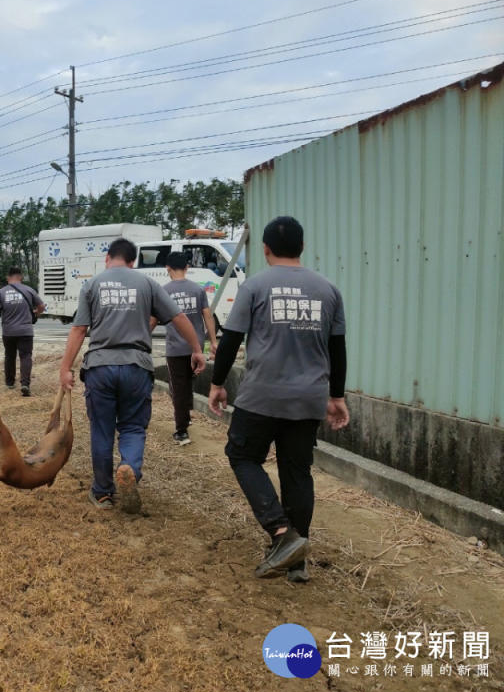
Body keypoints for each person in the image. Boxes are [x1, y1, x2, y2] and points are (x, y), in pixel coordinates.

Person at [209, 216, 349, 583]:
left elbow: (231, 339)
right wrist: (336, 396)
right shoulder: (328, 290)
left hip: (261, 397)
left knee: (241, 455)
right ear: (302, 248)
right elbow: (338, 349)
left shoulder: (255, 286)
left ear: (266, 249)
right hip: (309, 399)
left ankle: (281, 532)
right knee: (296, 472)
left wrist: (217, 383)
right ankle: (296, 564)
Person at [59, 238, 207, 514]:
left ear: (107, 258)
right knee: (133, 427)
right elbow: (178, 318)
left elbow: (79, 329)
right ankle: (129, 467)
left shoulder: (92, 284)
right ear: (133, 261)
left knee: (102, 429)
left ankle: (102, 493)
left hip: (100, 366)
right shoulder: (147, 284)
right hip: (136, 366)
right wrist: (197, 349)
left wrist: (65, 367)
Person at [150, 251, 218, 446]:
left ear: (168, 269)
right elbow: (208, 317)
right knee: (187, 385)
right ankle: (185, 418)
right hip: (196, 349)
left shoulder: (164, 291)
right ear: (187, 267)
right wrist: (213, 341)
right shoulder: (197, 290)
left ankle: (181, 431)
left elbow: (153, 321)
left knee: (178, 389)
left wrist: (139, 338)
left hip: (175, 349)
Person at [0, 266, 45, 397]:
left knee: (9, 355)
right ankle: (25, 384)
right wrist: (37, 313)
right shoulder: (29, 290)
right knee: (25, 356)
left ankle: (9, 382)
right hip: (25, 331)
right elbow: (41, 306)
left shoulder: (1, 292)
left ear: (8, 277)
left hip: (8, 331)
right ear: (21, 277)